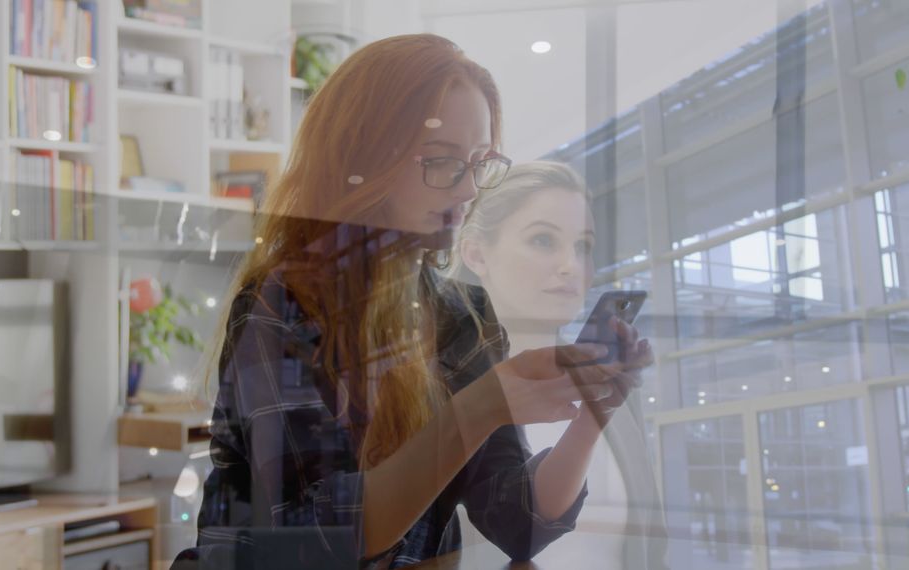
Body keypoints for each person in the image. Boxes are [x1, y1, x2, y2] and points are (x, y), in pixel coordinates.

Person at [172, 34, 652, 569]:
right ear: (364, 160)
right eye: (442, 162)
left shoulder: (459, 315)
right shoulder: (282, 305)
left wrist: (592, 414)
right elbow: (320, 542)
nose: (468, 190)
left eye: (480, 164)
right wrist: (482, 406)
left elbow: (520, 525)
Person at [450, 160, 668, 568]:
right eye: (543, 241)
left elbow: (648, 548)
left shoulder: (611, 392)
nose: (571, 265)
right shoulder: (447, 385)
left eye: (582, 246)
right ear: (477, 253)